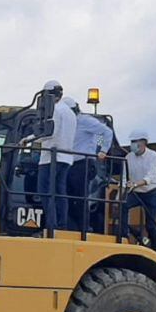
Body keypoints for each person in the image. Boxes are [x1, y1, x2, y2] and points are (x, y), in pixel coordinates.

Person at [64, 95, 114, 232]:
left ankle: (83, 228)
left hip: (82, 164)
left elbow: (106, 132)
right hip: (69, 164)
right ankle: (70, 226)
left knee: (80, 199)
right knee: (65, 197)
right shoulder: (67, 125)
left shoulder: (84, 121)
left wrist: (103, 150)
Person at [34, 80, 76, 231]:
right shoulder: (71, 113)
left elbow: (50, 132)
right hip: (67, 157)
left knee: (46, 191)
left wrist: (32, 139)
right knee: (60, 191)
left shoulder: (55, 111)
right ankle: (61, 224)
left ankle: (52, 224)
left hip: (51, 157)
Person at [119, 130, 156, 250]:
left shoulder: (153, 156)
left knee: (150, 226)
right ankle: (123, 236)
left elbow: (151, 175)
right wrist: (121, 194)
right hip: (135, 191)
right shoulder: (128, 157)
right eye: (131, 142)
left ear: (144, 142)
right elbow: (124, 178)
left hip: (151, 192)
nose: (132, 144)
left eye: (135, 141)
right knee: (123, 206)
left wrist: (137, 183)